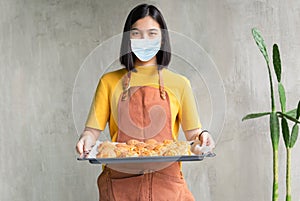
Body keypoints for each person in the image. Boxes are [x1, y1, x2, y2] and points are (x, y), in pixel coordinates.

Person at [76, 4, 215, 201]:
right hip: (120, 186)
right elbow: (92, 132)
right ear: (127, 39)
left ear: (162, 39)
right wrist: (86, 141)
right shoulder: (109, 82)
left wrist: (204, 137)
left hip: (166, 186)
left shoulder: (180, 84)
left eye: (152, 34)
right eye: (136, 34)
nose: (144, 40)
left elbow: (193, 136)